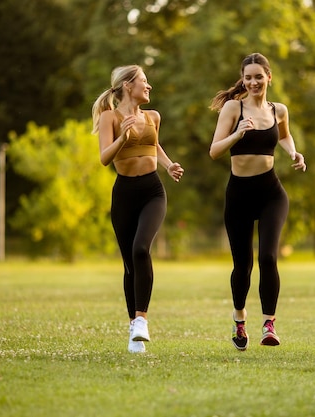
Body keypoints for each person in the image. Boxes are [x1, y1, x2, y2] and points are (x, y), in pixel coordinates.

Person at [209, 53, 306, 351]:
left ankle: (269, 324)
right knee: (243, 264)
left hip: (270, 193)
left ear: (268, 78)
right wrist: (238, 134)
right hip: (238, 194)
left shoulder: (279, 110)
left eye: (258, 77)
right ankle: (240, 319)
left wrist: (293, 153)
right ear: (243, 79)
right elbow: (214, 150)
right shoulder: (232, 108)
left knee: (268, 257)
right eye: (248, 77)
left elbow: (284, 137)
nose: (253, 82)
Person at [92, 65, 184, 353]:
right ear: (128, 85)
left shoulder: (153, 117)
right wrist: (124, 136)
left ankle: (142, 320)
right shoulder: (110, 117)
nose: (149, 86)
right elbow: (105, 158)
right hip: (124, 194)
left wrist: (169, 166)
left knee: (141, 249)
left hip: (152, 191)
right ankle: (134, 328)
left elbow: (154, 147)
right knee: (130, 263)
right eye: (144, 82)